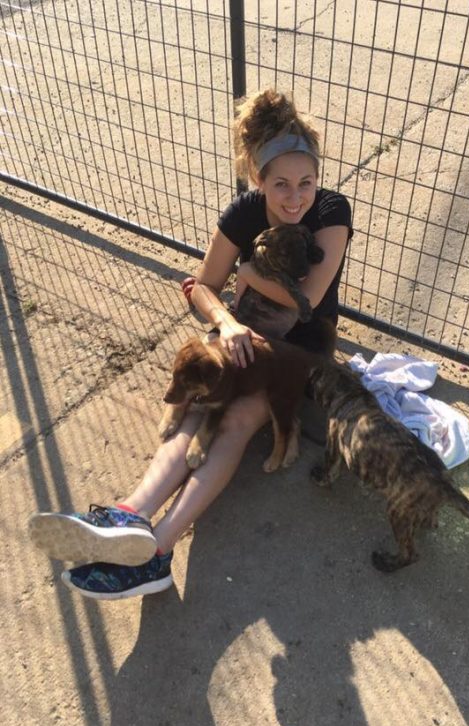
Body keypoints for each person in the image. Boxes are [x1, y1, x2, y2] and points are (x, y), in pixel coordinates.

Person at [28, 89, 353, 599]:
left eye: (306, 182)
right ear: (259, 180)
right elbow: (201, 286)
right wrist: (225, 321)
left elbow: (307, 300)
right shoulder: (245, 211)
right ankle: (130, 513)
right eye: (281, 184)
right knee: (200, 404)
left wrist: (245, 271)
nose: (295, 197)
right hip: (243, 328)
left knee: (241, 415)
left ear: (318, 177)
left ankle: (157, 550)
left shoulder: (332, 211)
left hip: (299, 348)